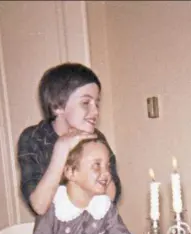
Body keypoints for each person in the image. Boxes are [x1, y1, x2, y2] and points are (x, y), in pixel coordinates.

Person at [17, 63, 121, 216]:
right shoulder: (33, 138)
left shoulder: (96, 138)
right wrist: (61, 150)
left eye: (97, 103)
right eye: (86, 103)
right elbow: (39, 206)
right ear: (57, 106)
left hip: (94, 232)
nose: (96, 111)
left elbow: (111, 197)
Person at [28, 137, 137, 234]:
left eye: (108, 166)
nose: (106, 173)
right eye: (97, 165)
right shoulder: (53, 208)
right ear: (71, 172)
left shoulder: (103, 206)